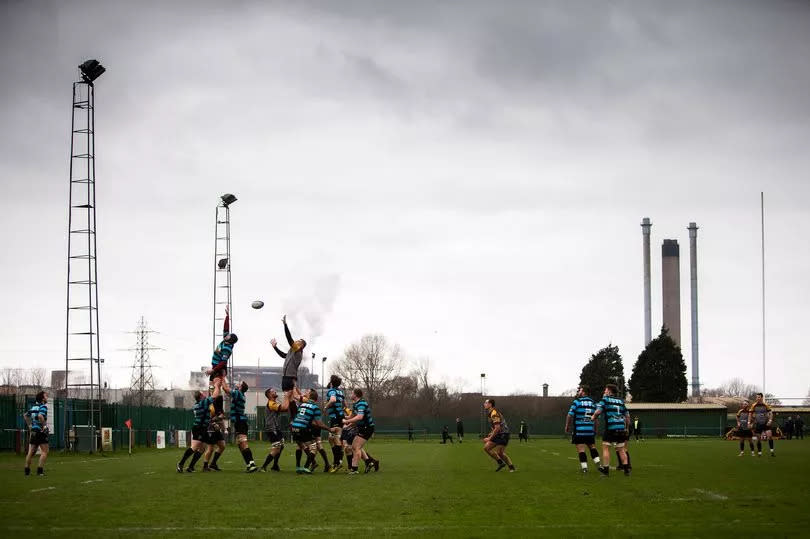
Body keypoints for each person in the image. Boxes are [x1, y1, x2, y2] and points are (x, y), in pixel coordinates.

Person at [290, 389, 334, 474]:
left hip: (294, 427)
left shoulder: (302, 404)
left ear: (309, 396)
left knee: (300, 446)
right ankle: (306, 467)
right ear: (316, 399)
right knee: (314, 446)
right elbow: (319, 423)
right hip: (303, 428)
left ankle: (298, 467)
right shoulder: (315, 407)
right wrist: (329, 429)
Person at [271, 314, 306, 419]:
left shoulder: (298, 350)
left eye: (299, 341)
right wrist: (275, 347)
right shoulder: (292, 351)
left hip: (291, 378)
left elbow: (289, 338)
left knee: (292, 398)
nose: (296, 341)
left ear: (301, 345)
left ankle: (299, 412)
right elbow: (283, 355)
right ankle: (293, 418)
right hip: (285, 378)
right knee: (289, 400)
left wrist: (285, 325)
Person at [591, 384, 630, 476]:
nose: (604, 392)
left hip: (611, 428)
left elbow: (598, 411)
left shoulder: (605, 400)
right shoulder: (621, 401)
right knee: (621, 449)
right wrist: (626, 428)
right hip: (621, 429)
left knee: (606, 448)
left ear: (609, 391)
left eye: (605, 390)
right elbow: (627, 416)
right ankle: (626, 471)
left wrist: (593, 417)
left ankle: (606, 471)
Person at [205, 306, 237, 419]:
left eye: (229, 335)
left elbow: (223, 363)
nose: (227, 334)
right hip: (215, 368)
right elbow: (225, 328)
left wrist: (212, 370)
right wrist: (227, 316)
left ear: (230, 340)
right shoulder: (225, 341)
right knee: (211, 389)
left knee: (217, 387)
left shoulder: (227, 348)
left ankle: (220, 412)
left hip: (218, 369)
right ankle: (216, 412)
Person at [564, 385, 601, 473]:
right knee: (592, 447)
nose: (579, 392)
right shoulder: (593, 403)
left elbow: (569, 415)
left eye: (580, 390)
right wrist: (595, 430)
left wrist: (567, 426)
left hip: (579, 430)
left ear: (583, 392)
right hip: (589, 430)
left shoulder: (577, 402)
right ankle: (599, 465)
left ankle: (584, 469)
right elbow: (596, 419)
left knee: (581, 449)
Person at [343, 388, 380, 474]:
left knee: (356, 447)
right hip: (362, 428)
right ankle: (369, 463)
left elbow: (359, 417)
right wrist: (343, 418)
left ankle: (354, 469)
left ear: (355, 395)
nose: (350, 395)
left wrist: (347, 422)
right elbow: (351, 417)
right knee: (355, 447)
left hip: (367, 428)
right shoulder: (356, 404)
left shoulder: (362, 403)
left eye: (352, 393)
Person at [178, 390, 211, 472]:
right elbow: (214, 396)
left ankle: (191, 467)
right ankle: (180, 463)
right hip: (199, 428)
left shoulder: (199, 404)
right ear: (200, 397)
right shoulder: (202, 403)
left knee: (202, 448)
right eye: (203, 394)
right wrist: (217, 384)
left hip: (201, 428)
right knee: (194, 447)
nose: (204, 394)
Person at [231, 380, 258, 472]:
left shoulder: (238, 393)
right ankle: (249, 464)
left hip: (240, 422)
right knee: (240, 444)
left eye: (239, 383)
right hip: (239, 422)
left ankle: (252, 464)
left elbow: (226, 390)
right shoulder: (240, 394)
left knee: (243, 443)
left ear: (241, 387)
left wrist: (222, 379)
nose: (237, 383)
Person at [482, 399, 515, 472]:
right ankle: (500, 463)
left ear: (490, 404)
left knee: (500, 452)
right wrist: (491, 433)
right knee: (486, 448)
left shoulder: (494, 413)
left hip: (503, 434)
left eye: (486, 403)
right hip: (498, 433)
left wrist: (489, 438)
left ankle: (511, 467)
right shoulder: (490, 413)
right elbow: (496, 427)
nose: (484, 404)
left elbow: (498, 428)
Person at [23, 390, 49, 476]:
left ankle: (27, 471)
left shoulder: (34, 407)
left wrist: (30, 426)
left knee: (31, 452)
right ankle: (40, 471)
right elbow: (40, 416)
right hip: (40, 431)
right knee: (45, 451)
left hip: (33, 431)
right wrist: (44, 426)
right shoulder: (43, 407)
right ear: (42, 398)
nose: (47, 397)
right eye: (46, 396)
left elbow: (25, 415)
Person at [325, 375, 346, 471]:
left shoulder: (332, 391)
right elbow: (344, 405)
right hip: (339, 416)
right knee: (331, 438)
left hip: (335, 417)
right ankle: (338, 461)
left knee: (335, 438)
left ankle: (337, 462)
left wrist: (326, 406)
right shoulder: (340, 392)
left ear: (332, 383)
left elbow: (333, 400)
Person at [260, 388, 284, 472]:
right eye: (273, 391)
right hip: (271, 428)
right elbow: (284, 408)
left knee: (281, 445)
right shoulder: (271, 403)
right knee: (277, 446)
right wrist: (288, 397)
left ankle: (275, 465)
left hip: (276, 427)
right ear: (269, 395)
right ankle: (263, 467)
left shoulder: (274, 403)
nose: (275, 392)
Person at [203, 397, 226, 471]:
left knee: (222, 446)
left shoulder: (219, 407)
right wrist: (215, 421)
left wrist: (223, 427)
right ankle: (205, 466)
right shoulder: (211, 406)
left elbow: (221, 417)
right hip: (211, 429)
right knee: (210, 448)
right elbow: (209, 418)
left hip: (217, 429)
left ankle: (213, 464)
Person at [749, 393, 775, 457]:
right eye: (757, 397)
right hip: (758, 424)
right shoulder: (753, 405)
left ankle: (772, 452)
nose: (758, 398)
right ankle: (759, 453)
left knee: (770, 436)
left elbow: (770, 413)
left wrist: (770, 420)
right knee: (758, 439)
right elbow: (750, 414)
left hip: (766, 423)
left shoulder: (765, 405)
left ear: (762, 398)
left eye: (759, 397)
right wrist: (749, 422)